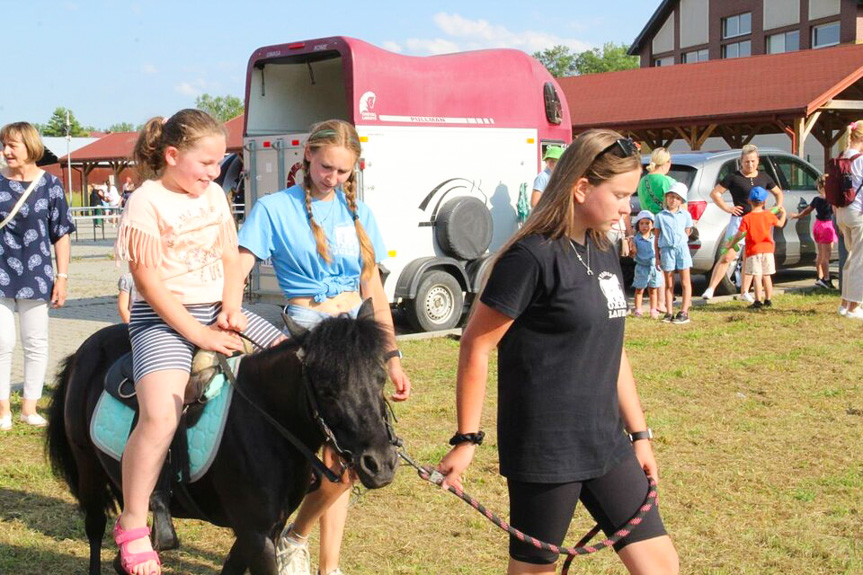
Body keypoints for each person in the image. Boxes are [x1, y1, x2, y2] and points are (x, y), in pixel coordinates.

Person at [437, 129, 679, 575]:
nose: (630, 207)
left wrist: (640, 436)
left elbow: (614, 350)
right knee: (534, 571)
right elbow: (476, 345)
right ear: (582, 187)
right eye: (621, 195)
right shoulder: (529, 258)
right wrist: (466, 439)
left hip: (607, 443)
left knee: (660, 564)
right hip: (546, 451)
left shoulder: (602, 248)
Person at [113, 109, 285, 575]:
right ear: (172, 156)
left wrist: (231, 307)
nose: (215, 172)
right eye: (206, 164)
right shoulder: (146, 201)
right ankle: (132, 521)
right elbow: (148, 282)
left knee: (291, 360)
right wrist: (198, 334)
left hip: (216, 309)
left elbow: (231, 258)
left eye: (218, 163)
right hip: (163, 319)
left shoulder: (213, 196)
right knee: (160, 415)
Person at [236, 119, 411, 575]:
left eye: (343, 172)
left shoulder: (361, 214)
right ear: (308, 155)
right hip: (308, 328)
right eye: (326, 166)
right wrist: (229, 310)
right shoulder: (275, 208)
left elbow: (372, 286)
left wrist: (391, 355)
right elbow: (241, 264)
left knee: (352, 452)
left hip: (356, 332)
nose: (332, 177)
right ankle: (295, 536)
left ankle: (323, 561)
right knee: (331, 454)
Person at [0, 121, 75, 431]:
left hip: (37, 273)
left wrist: (63, 276)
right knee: (2, 343)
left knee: (36, 342)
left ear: (29, 147)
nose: (5, 151)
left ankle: (29, 408)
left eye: (11, 145)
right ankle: (2, 409)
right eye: (3, 145)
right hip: (0, 272)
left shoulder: (51, 184)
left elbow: (62, 233)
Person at [701, 145, 784, 300]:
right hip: (740, 221)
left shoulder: (764, 177)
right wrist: (727, 208)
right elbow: (715, 193)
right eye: (746, 162)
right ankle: (711, 288)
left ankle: (745, 291)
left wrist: (777, 207)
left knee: (750, 256)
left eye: (753, 161)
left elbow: (778, 193)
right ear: (741, 161)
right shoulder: (733, 177)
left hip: (759, 222)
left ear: (758, 161)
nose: (750, 164)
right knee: (728, 255)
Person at [727, 187, 787, 309]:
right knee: (767, 276)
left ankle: (758, 301)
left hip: (753, 251)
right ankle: (768, 299)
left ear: (749, 201)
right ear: (764, 202)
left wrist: (732, 243)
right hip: (768, 250)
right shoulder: (769, 215)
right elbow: (780, 224)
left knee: (757, 276)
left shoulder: (747, 218)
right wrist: (784, 213)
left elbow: (739, 234)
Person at [835, 120, 863, 320]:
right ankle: (854, 306)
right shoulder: (860, 159)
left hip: (842, 212)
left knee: (850, 258)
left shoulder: (842, 156)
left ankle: (844, 304)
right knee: (860, 260)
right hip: (858, 212)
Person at [654, 182, 693, 324]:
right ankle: (669, 311)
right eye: (671, 197)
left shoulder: (685, 215)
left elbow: (687, 231)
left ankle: (684, 311)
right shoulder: (660, 216)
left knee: (685, 281)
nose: (673, 200)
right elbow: (657, 237)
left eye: (677, 198)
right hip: (666, 249)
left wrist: (681, 240)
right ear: (666, 198)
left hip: (681, 249)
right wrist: (657, 257)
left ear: (681, 201)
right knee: (669, 282)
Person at [790, 174, 836, 289]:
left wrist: (797, 216)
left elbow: (807, 211)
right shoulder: (831, 200)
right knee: (827, 256)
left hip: (818, 226)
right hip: (827, 227)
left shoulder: (817, 199)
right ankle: (826, 279)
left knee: (820, 254)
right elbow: (836, 212)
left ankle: (819, 277)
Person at [630, 210, 661, 318]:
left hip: (654, 267)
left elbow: (659, 249)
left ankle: (653, 309)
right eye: (641, 223)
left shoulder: (655, 238)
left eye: (647, 223)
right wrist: (632, 248)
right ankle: (638, 309)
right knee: (639, 289)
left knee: (653, 289)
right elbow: (632, 252)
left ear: (652, 225)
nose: (644, 226)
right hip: (641, 267)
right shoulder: (636, 239)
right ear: (638, 225)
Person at [637, 147, 674, 216]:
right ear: (668, 162)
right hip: (663, 222)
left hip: (647, 222)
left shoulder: (642, 180)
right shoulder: (667, 181)